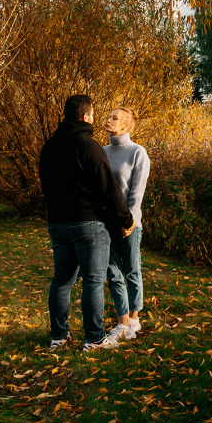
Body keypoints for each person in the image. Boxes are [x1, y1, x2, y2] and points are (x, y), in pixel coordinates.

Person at [38, 93, 135, 352]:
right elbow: (108, 188)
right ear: (85, 116)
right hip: (88, 224)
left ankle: (58, 337)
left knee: (62, 280)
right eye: (92, 114)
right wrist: (126, 218)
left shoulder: (49, 146)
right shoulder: (88, 145)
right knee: (93, 280)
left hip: (57, 223)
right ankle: (94, 339)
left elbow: (45, 185)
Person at [100, 105, 151, 347]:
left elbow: (137, 193)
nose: (108, 120)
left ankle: (134, 318)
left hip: (130, 223)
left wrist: (129, 221)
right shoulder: (101, 152)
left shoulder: (137, 152)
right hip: (104, 224)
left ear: (126, 125)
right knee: (112, 271)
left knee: (131, 270)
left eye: (114, 118)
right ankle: (123, 323)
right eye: (109, 116)